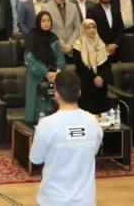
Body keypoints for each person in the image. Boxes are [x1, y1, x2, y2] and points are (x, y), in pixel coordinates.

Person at [29, 70, 103, 206]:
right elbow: (93, 151)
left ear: (56, 93)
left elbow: (36, 159)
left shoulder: (46, 124)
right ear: (79, 92)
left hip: (52, 200)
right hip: (85, 200)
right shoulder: (93, 121)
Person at [23, 11, 66, 125]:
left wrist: (57, 72)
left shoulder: (54, 38)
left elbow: (60, 59)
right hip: (36, 78)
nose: (46, 23)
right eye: (43, 21)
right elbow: (29, 59)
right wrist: (46, 72)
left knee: (50, 110)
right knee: (35, 108)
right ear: (38, 22)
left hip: (53, 78)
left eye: (48, 20)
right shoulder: (32, 38)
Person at [72, 19, 112, 114]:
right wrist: (94, 78)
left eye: (94, 27)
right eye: (88, 28)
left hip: (100, 84)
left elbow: (107, 66)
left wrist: (101, 77)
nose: (92, 30)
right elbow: (80, 67)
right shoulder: (78, 45)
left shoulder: (101, 44)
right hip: (85, 83)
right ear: (83, 30)